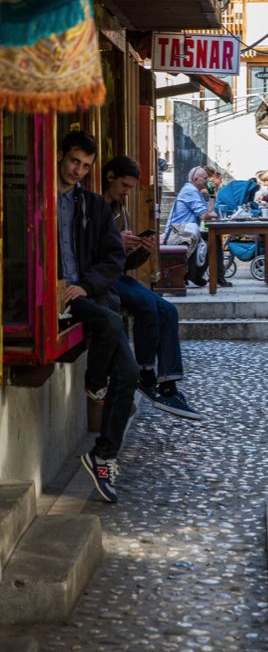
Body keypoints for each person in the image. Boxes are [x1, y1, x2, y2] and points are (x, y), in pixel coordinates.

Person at [57, 131, 139, 503]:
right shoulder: (38, 201)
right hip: (51, 298)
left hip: (85, 294)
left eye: (85, 166)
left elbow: (113, 258)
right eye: (74, 161)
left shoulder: (93, 205)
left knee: (131, 374)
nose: (78, 170)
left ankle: (102, 456)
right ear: (60, 157)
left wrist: (86, 286)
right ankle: (95, 383)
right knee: (111, 322)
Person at [102, 155, 201, 421]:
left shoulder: (122, 211)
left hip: (118, 275)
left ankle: (168, 386)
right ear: (109, 177)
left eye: (130, 188)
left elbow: (126, 262)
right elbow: (89, 254)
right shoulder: (96, 207)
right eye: (124, 186)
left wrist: (141, 251)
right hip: (101, 278)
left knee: (168, 309)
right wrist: (115, 243)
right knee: (146, 304)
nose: (126, 192)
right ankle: (146, 373)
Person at [163, 166, 231, 287]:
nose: (208, 180)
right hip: (179, 233)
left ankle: (200, 275)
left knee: (213, 239)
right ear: (195, 178)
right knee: (213, 240)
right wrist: (211, 214)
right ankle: (205, 276)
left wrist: (212, 196)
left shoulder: (193, 190)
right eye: (205, 178)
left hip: (187, 231)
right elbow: (205, 215)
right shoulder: (191, 191)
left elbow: (207, 212)